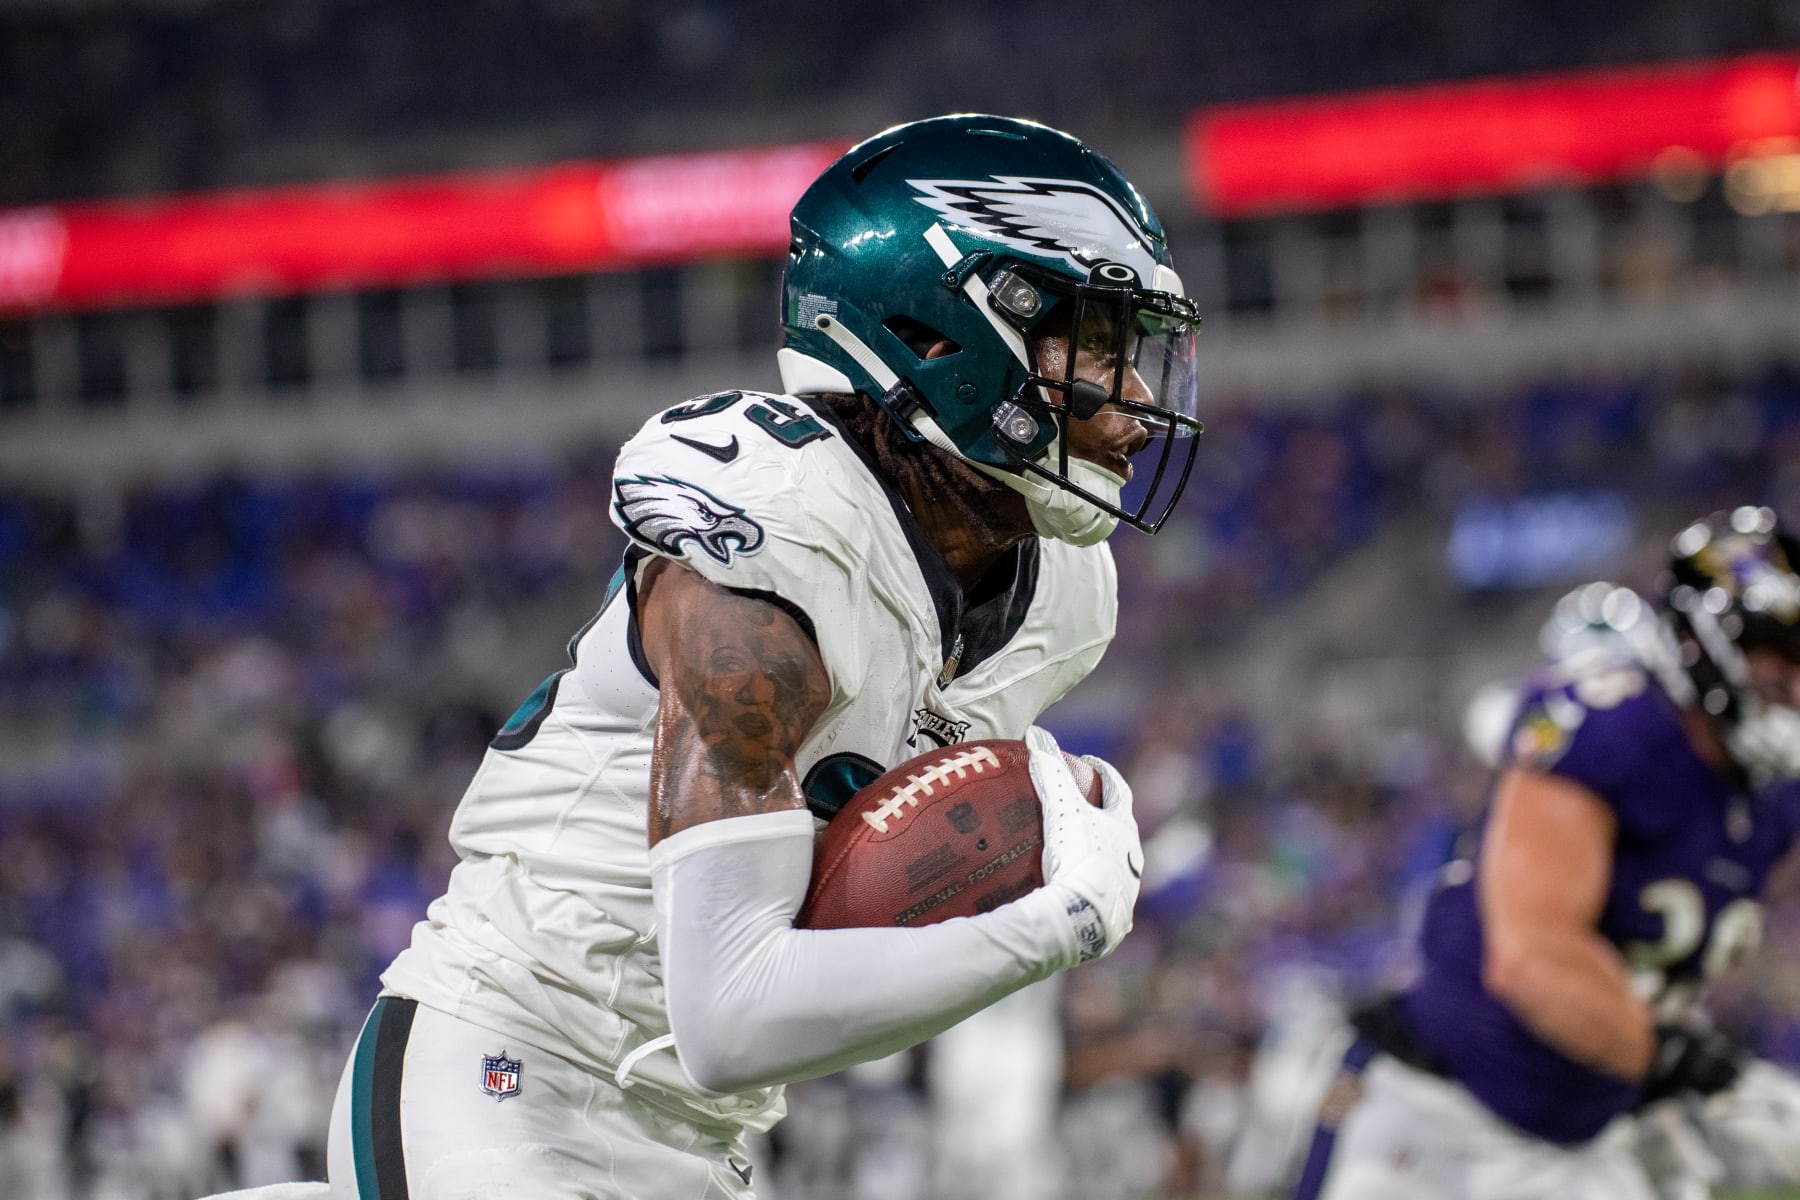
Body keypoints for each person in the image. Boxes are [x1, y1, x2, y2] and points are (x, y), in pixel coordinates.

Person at [319, 114, 1208, 1199]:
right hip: (505, 1067)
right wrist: (1055, 923)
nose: (1142, 405)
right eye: (1102, 348)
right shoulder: (777, 531)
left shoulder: (1066, 599)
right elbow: (732, 1012)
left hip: (704, 1138)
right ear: (941, 338)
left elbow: (825, 924)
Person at [1294, 506, 1800, 1200]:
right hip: (1441, 1112)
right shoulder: (1610, 726)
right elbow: (1535, 963)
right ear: (1702, 638)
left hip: (1588, 1130)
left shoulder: (1774, 792)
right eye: (1780, 650)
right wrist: (1703, 1073)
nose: (1794, 682)